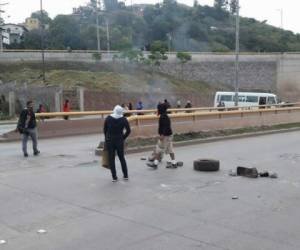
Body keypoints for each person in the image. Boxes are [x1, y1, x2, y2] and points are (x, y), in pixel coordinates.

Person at [104, 105, 131, 182]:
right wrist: (123, 137)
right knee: (121, 158)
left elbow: (105, 130)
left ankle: (114, 177)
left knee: (111, 159)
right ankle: (125, 175)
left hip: (110, 141)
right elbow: (128, 131)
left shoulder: (108, 118)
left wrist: (107, 138)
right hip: (119, 141)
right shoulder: (124, 119)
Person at [147, 103, 177, 169]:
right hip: (169, 135)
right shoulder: (165, 115)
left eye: (158, 109)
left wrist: (162, 135)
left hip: (165, 136)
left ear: (161, 109)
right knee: (170, 149)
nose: (157, 110)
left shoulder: (163, 117)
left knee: (159, 149)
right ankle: (174, 163)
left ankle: (155, 164)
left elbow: (165, 126)